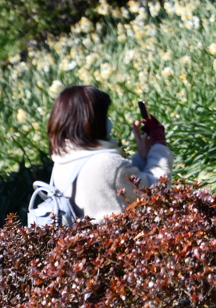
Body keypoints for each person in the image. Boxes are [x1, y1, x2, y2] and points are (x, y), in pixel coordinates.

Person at [46, 85, 173, 223]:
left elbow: (117, 183)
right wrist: (160, 147)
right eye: (104, 116)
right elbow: (156, 191)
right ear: (93, 122)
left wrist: (142, 156)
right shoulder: (107, 163)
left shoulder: (62, 160)